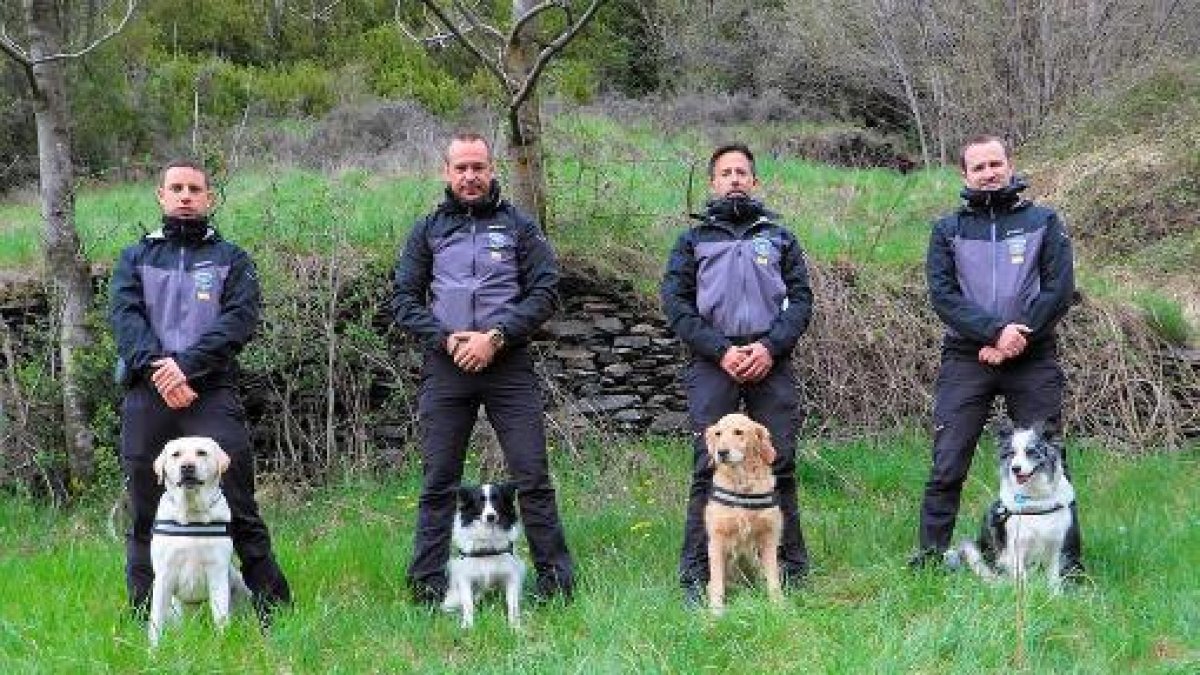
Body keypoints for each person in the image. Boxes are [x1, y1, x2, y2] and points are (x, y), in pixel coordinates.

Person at [392, 132, 575, 606]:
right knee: (438, 482)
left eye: (479, 167)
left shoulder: (520, 227)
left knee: (532, 477)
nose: (470, 176)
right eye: (461, 168)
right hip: (446, 365)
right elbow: (404, 299)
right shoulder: (427, 230)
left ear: (491, 170)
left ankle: (556, 585)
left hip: (507, 364)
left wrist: (496, 337)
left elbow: (545, 291)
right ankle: (428, 587)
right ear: (446, 173)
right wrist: (447, 338)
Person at [110, 159, 292, 622]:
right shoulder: (134, 258)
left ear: (209, 198)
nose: (186, 195)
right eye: (177, 187)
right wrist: (159, 371)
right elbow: (125, 319)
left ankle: (275, 611)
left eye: (195, 188)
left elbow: (238, 322)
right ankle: (144, 615)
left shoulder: (233, 259)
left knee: (239, 504)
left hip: (210, 394)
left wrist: (183, 370)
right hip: (146, 395)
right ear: (161, 196)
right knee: (145, 510)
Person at [911, 134, 1083, 574]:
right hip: (967, 358)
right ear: (964, 175)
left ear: (1009, 165)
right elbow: (943, 296)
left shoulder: (1044, 221)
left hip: (1034, 355)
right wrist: (993, 334)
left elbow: (1059, 289)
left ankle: (1067, 564)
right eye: (979, 167)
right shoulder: (946, 230)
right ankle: (929, 559)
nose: (989, 173)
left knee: (1052, 460)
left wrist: (1016, 336)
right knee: (948, 462)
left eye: (995, 164)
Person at [661, 143, 814, 606]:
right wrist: (721, 350)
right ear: (713, 183)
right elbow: (677, 305)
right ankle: (697, 577)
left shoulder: (780, 238)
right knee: (708, 465)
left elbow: (802, 300)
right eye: (725, 173)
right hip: (714, 363)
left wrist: (769, 347)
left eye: (741, 172)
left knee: (779, 462)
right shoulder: (692, 241)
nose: (733, 179)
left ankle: (789, 571)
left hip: (771, 361)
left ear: (755, 181)